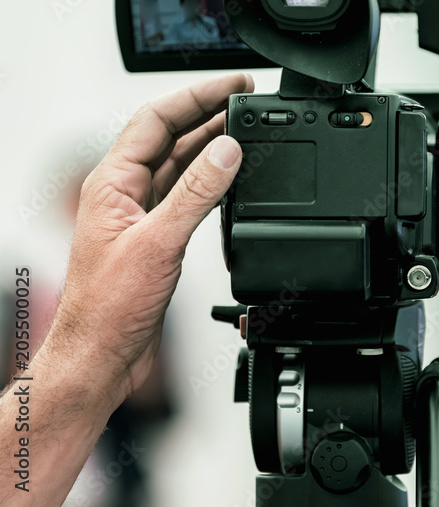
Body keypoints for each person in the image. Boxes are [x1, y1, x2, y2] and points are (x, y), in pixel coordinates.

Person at [0, 73, 253, 505]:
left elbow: (164, 409)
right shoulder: (16, 297)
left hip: (119, 487)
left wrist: (127, 371)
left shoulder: (144, 289)